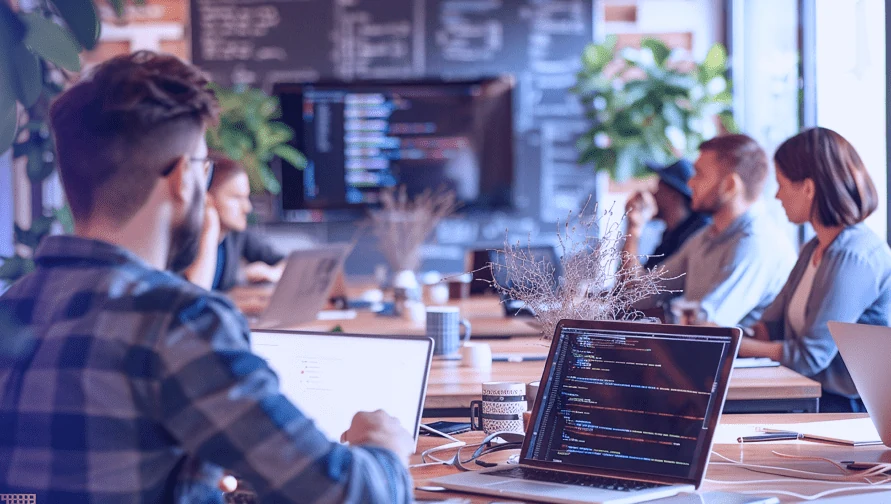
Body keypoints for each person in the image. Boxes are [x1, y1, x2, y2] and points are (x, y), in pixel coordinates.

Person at [0, 51, 414, 503]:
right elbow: (346, 494)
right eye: (203, 166)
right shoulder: (178, 320)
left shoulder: (12, 308)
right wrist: (385, 449)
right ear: (181, 177)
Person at [739, 127, 891, 413]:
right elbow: (770, 328)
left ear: (808, 188)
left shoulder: (852, 256)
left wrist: (736, 345)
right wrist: (717, 335)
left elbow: (810, 356)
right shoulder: (814, 248)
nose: (777, 195)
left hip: (850, 411)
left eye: (782, 183)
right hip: (811, 396)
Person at [632, 134, 796, 327]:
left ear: (730, 185)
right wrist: (633, 230)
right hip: (695, 353)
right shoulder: (707, 236)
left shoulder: (756, 243)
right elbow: (641, 294)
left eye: (699, 174)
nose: (690, 183)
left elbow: (705, 323)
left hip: (730, 357)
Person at [184, 156, 286, 291]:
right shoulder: (184, 240)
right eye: (237, 198)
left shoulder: (236, 235)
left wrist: (274, 273)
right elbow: (191, 295)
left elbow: (290, 262)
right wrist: (210, 228)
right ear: (206, 197)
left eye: (246, 197)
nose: (247, 208)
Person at [623, 159, 711, 268]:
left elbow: (635, 282)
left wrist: (633, 227)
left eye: (659, 188)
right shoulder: (671, 233)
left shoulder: (694, 237)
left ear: (673, 196)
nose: (653, 194)